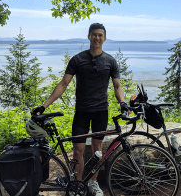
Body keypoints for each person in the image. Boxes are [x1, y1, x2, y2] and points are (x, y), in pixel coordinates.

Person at [32, 23, 129, 196]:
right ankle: (77, 185)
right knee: (78, 151)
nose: (97, 38)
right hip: (82, 112)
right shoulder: (77, 59)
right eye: (94, 34)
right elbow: (63, 84)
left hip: (101, 112)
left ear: (104, 38)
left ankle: (93, 183)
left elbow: (117, 85)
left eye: (100, 35)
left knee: (97, 149)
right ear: (89, 36)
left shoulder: (110, 61)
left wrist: (123, 103)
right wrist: (44, 106)